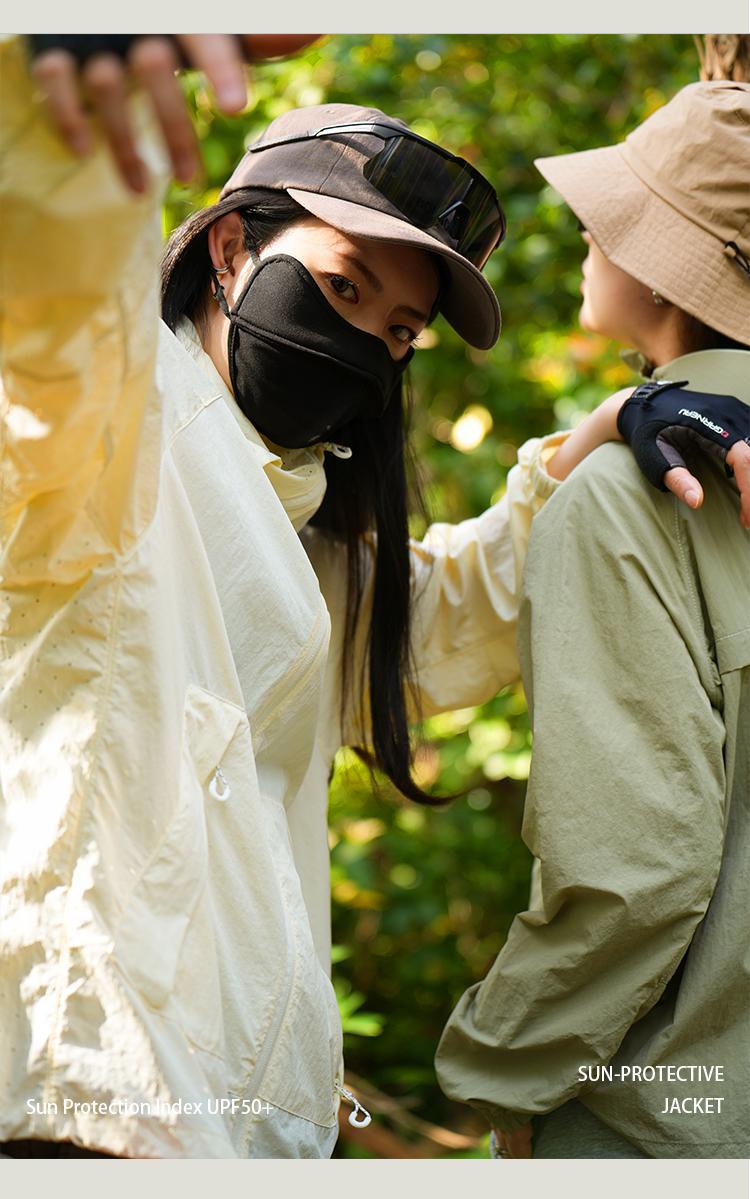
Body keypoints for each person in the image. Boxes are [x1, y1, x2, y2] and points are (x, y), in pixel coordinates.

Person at [0, 34, 746, 1160]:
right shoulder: (116, 430)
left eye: (395, 333)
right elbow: (47, 314)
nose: (361, 346)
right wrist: (52, 98)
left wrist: (601, 435)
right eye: (341, 286)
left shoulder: (290, 515)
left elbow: (434, 624)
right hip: (83, 1106)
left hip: (218, 1131)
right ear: (231, 247)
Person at [434, 79, 750, 1160]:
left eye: (612, 217)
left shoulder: (624, 503)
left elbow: (634, 871)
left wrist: (499, 1073)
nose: (584, 231)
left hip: (658, 1124)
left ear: (670, 261)